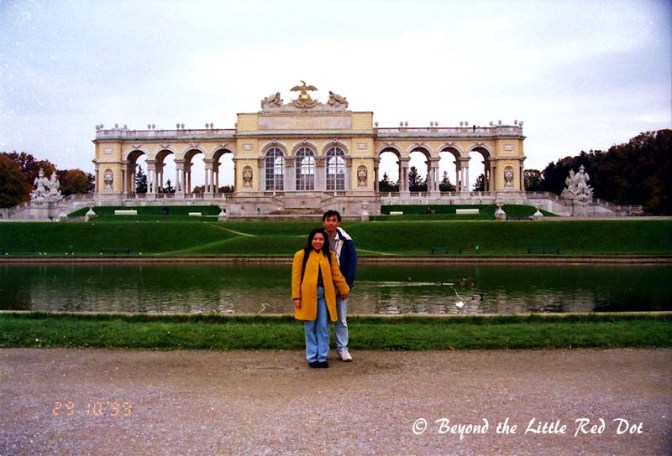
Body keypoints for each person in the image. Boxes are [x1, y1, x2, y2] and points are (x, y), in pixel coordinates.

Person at [292, 228, 350, 369]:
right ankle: (312, 357)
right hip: (307, 295)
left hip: (324, 295)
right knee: (310, 327)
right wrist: (296, 296)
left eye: (321, 239)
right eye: (315, 239)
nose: (317, 242)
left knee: (323, 326)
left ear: (324, 241)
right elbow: (296, 277)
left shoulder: (329, 255)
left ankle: (322, 356)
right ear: (310, 240)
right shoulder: (301, 255)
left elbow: (336, 275)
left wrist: (344, 289)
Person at [322, 210, 358, 362]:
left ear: (338, 223)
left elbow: (351, 264)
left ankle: (342, 348)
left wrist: (347, 286)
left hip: (340, 283)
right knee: (322, 319)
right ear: (324, 222)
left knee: (341, 319)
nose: (331, 223)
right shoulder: (318, 238)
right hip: (322, 284)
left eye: (333, 220)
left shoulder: (346, 240)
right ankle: (322, 349)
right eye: (328, 220)